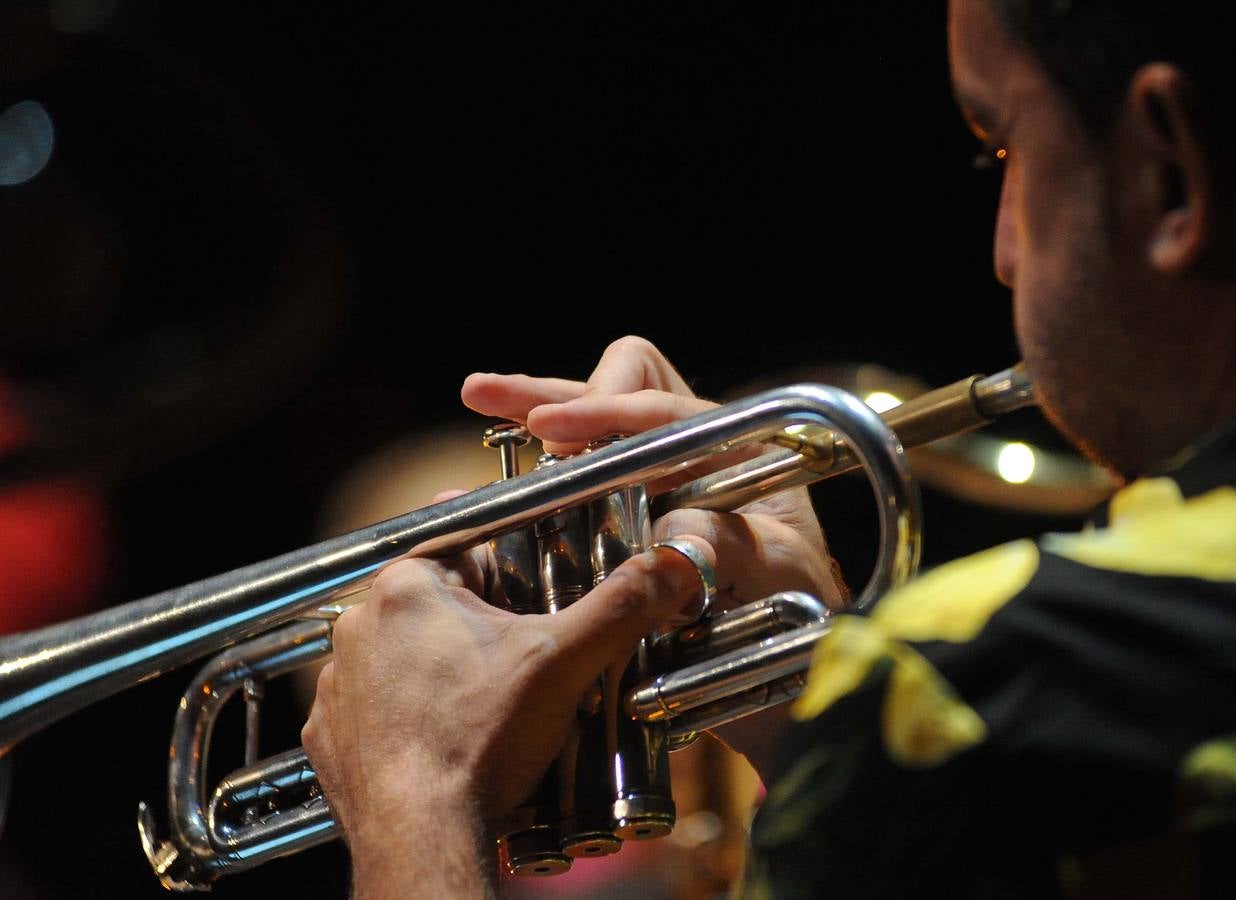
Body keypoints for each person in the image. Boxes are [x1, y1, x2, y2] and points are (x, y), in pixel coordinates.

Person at [302, 1, 1236, 896]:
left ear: (1167, 173)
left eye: (1006, 146)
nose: (1003, 253)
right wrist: (816, 719)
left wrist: (416, 798)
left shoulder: (1001, 674)